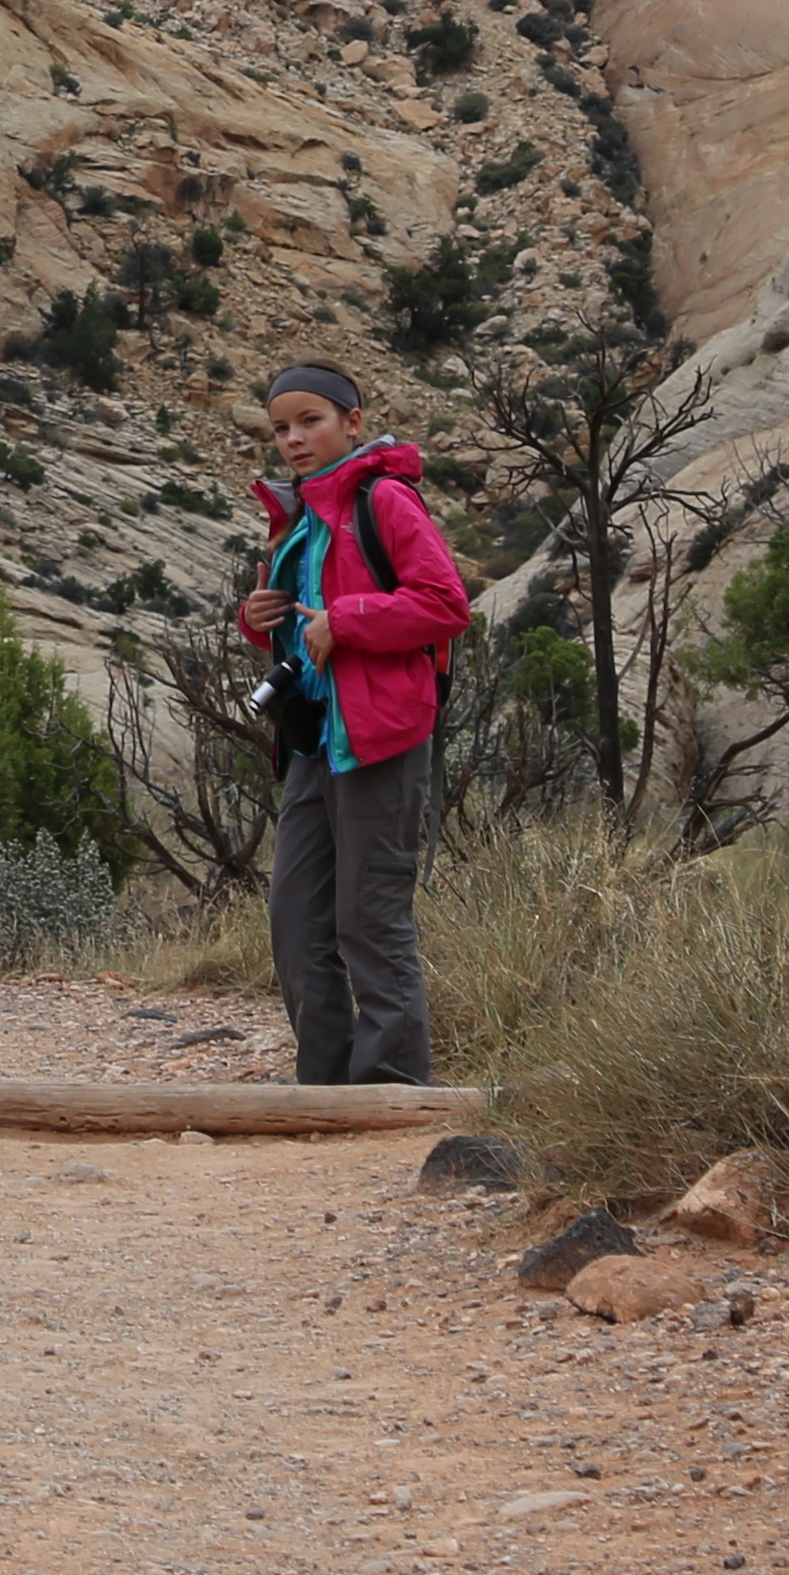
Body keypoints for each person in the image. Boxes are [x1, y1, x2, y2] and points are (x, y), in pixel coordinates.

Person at [233, 358, 470, 1086]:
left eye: (311, 422)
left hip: (381, 739)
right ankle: (326, 1087)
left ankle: (390, 1089)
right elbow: (306, 627)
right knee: (297, 920)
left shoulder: (387, 500)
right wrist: (256, 618)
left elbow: (445, 605)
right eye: (281, 429)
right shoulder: (301, 518)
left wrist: (351, 620)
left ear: (353, 423)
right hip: (314, 743)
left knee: (370, 919)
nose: (294, 440)